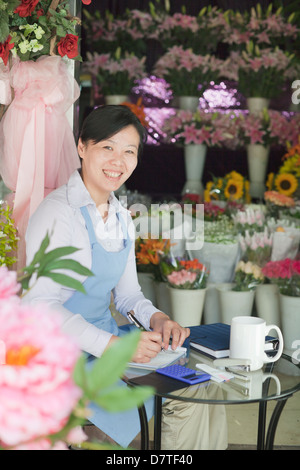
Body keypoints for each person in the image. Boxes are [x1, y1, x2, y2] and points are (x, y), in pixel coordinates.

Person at [24, 105, 227, 449]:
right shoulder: (58, 213)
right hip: (63, 356)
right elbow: (40, 306)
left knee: (200, 382)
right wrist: (115, 348)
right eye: (108, 147)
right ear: (82, 147)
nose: (118, 160)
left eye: (129, 151)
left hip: (107, 343)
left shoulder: (121, 216)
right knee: (180, 399)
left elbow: (129, 296)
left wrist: (159, 318)